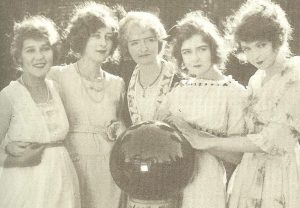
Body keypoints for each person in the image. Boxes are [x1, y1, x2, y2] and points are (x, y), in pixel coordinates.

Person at [172, 1, 300, 207]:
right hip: (249, 173)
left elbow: (273, 139)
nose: (255, 55)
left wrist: (207, 141)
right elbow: (247, 133)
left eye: (261, 45)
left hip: (281, 172)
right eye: (247, 48)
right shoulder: (256, 80)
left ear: (278, 39)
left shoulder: (295, 74)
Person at [156, 11, 246, 208]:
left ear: (213, 50)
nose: (194, 58)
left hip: (207, 181)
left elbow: (238, 156)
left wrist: (195, 135)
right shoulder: (177, 91)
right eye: (187, 52)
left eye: (201, 49)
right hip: (172, 178)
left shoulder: (234, 93)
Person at [48, 3, 125, 208]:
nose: (103, 43)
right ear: (82, 37)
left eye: (108, 37)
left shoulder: (118, 84)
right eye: (96, 35)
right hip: (71, 165)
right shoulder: (57, 76)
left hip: (109, 169)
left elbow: (121, 127)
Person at [0, 16, 80, 208]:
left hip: (62, 181)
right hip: (24, 185)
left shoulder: (57, 89)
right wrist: (8, 154)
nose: (39, 56)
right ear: (19, 57)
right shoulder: (9, 96)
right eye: (30, 50)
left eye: (45, 48)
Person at [118, 11, 178, 126]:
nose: (143, 48)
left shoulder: (177, 79)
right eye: (135, 43)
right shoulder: (126, 78)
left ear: (159, 41)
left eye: (150, 40)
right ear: (127, 47)